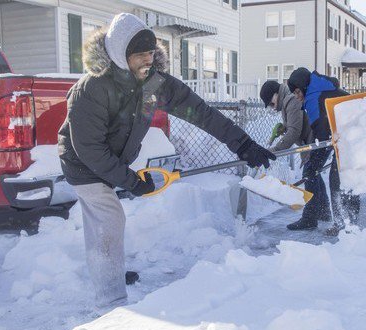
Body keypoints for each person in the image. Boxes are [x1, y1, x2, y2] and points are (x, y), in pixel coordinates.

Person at [57, 13, 275, 309]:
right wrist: (132, 182)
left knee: (105, 224)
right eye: (139, 55)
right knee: (108, 218)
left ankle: (111, 270)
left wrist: (243, 144)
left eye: (150, 52)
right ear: (122, 55)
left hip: (112, 159)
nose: (147, 60)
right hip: (82, 162)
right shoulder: (92, 89)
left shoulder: (154, 83)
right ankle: (111, 304)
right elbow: (90, 149)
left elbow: (201, 113)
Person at [287, 67, 360, 236]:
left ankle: (345, 227)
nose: (297, 97)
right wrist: (314, 163)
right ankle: (350, 225)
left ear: (304, 86)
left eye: (298, 92)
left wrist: (314, 164)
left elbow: (322, 135)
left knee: (338, 179)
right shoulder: (322, 89)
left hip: (348, 137)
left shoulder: (314, 97)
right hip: (353, 135)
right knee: (347, 178)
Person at [260, 80, 312, 162]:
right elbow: (296, 121)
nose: (272, 107)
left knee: (309, 173)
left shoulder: (292, 100)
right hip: (309, 143)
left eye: (271, 103)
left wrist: (275, 150)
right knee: (311, 173)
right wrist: (284, 128)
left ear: (276, 94)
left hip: (314, 141)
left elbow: (294, 131)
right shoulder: (286, 100)